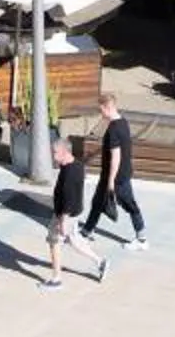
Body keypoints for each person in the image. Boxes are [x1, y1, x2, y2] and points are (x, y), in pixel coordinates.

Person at [81, 91, 146, 248]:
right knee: (97, 202)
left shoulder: (113, 130)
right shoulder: (123, 122)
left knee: (129, 204)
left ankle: (142, 239)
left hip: (117, 177)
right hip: (116, 174)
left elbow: (116, 157)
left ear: (107, 107)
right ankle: (87, 231)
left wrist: (111, 181)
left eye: (100, 110)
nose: (100, 113)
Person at [43, 136, 109, 287]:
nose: (53, 156)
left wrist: (62, 220)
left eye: (55, 153)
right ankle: (100, 262)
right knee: (73, 239)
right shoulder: (76, 165)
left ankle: (56, 279)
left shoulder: (70, 174)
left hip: (66, 214)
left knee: (54, 241)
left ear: (65, 152)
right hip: (73, 212)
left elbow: (68, 197)